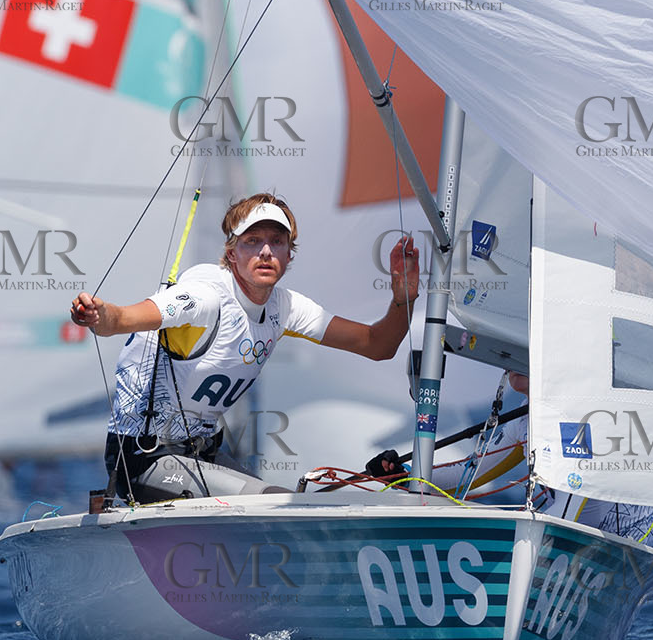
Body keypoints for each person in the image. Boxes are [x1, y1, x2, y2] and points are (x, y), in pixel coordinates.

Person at [70, 192, 419, 503]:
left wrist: (405, 297)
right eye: (253, 241)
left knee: (295, 500)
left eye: (276, 241)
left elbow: (379, 345)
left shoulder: (285, 307)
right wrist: (100, 313)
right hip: (143, 460)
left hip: (205, 454)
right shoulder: (205, 297)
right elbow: (125, 319)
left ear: (288, 253)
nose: (266, 251)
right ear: (232, 253)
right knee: (278, 504)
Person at [365, 372, 653, 541]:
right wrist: (405, 477)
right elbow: (470, 475)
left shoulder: (586, 414)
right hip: (562, 532)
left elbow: (580, 496)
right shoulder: (524, 421)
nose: (514, 358)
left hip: (620, 540)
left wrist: (517, 540)